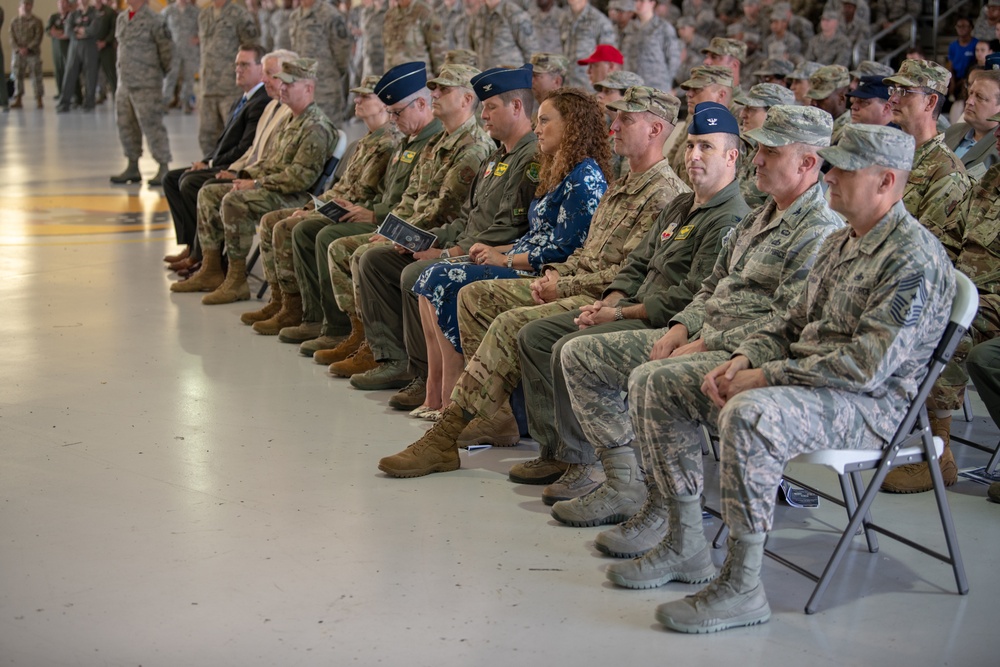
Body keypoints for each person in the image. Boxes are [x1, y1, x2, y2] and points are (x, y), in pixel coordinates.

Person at [631, 122, 955, 634]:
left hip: (873, 408)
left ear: (886, 181)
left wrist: (763, 378)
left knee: (750, 413)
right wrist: (743, 358)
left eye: (846, 169)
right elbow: (788, 323)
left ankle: (742, 586)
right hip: (811, 383)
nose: (830, 175)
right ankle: (685, 542)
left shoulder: (912, 259)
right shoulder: (843, 240)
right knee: (659, 380)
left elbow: (864, 368)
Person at [374, 86, 689, 479]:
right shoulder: (624, 184)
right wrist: (560, 275)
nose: (614, 125)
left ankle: (455, 430)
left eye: (627, 119)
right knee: (475, 296)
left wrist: (566, 284)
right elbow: (587, 252)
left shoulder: (666, 195)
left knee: (510, 323)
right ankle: (497, 415)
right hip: (575, 282)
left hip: (602, 300)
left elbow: (630, 274)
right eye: (616, 116)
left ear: (657, 129)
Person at [584, 103, 841, 559]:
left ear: (806, 163)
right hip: (711, 339)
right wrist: (684, 327)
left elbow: (786, 319)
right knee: (588, 355)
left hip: (753, 355)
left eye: (770, 152)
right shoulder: (759, 217)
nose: (756, 160)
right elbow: (712, 286)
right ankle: (634, 491)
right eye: (757, 149)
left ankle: (672, 520)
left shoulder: (819, 231)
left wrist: (706, 342)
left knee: (653, 380)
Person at [538, 103, 751, 525]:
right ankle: (593, 466)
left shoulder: (731, 217)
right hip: (637, 312)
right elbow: (637, 263)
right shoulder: (681, 206)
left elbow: (692, 296)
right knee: (547, 337)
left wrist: (620, 315)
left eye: (705, 147)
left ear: (732, 156)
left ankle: (617, 478)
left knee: (572, 348)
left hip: (668, 325)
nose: (692, 156)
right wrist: (611, 302)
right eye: (690, 145)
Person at [410, 88, 610, 419]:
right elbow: (535, 234)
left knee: (442, 279)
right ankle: (438, 393)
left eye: (545, 121)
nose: (538, 128)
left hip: (544, 273)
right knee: (429, 276)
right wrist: (495, 249)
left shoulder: (585, 176)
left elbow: (565, 249)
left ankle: (453, 400)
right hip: (521, 259)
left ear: (572, 126)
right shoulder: (559, 169)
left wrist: (504, 259)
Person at [347, 65, 538, 403]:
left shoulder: (529, 158)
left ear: (517, 107)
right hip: (468, 245)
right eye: (483, 106)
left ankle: (425, 377)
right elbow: (469, 219)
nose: (484, 114)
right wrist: (429, 239)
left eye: (491, 106)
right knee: (378, 259)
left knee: (417, 275)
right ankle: (394, 358)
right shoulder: (497, 156)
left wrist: (448, 253)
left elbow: (506, 229)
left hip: (500, 256)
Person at [264, 64, 491, 343]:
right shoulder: (437, 142)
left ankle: (375, 345)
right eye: (434, 88)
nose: (435, 94)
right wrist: (390, 229)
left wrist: (392, 231)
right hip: (415, 228)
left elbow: (441, 211)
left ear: (467, 100)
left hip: (438, 236)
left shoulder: (473, 147)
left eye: (444, 89)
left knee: (356, 251)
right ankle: (354, 334)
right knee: (331, 239)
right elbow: (410, 199)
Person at [283, 62, 444, 352]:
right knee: (307, 229)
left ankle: (358, 335)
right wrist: (368, 209)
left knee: (333, 240)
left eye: (396, 112)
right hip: (388, 218)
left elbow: (429, 206)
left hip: (411, 228)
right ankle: (327, 321)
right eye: (390, 112)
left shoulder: (429, 141)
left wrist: (377, 216)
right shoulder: (409, 141)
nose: (392, 119)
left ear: (421, 104)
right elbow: (393, 195)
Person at [883, 109, 1000, 493]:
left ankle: (938, 453)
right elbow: (948, 239)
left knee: (948, 329)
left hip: (993, 299)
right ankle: (893, 425)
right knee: (908, 306)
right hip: (965, 287)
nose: (996, 136)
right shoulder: (989, 184)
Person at [240, 74, 401, 335]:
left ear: (384, 103)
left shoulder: (391, 143)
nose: (357, 100)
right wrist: (314, 206)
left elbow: (379, 196)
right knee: (276, 221)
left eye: (365, 96)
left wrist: (350, 209)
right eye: (356, 95)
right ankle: (287, 304)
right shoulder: (364, 141)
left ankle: (320, 318)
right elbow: (341, 186)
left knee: (296, 229)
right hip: (342, 208)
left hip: (361, 215)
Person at [172, 57, 336, 305]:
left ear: (308, 88)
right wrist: (244, 176)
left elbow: (300, 178)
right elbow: (270, 161)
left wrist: (256, 185)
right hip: (274, 186)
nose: (282, 88)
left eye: (289, 84)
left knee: (234, 201)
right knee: (209, 193)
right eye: (281, 83)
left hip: (296, 197)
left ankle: (237, 280)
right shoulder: (291, 119)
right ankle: (212, 268)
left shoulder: (315, 127)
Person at [162, 45, 272, 271]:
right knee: (172, 179)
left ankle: (202, 254)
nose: (238, 70)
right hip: (221, 161)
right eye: (236, 65)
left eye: (244, 64)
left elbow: (244, 147)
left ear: (261, 69)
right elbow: (223, 143)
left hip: (234, 166)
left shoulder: (260, 101)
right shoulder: (241, 99)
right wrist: (205, 161)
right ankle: (192, 245)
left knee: (190, 182)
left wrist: (211, 165)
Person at [886, 59, 971, 263]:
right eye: (894, 90)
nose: (893, 99)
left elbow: (927, 254)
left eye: (905, 91)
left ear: (930, 102)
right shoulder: (891, 154)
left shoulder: (947, 173)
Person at [109, 0, 173, 187]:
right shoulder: (121, 18)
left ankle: (163, 165)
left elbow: (167, 52)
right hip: (124, 83)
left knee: (152, 126)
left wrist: (155, 74)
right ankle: (132, 165)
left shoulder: (155, 19)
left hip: (147, 84)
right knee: (125, 125)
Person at [197, 0, 259, 157]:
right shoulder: (204, 15)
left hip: (230, 87)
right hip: (208, 86)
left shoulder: (240, 15)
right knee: (206, 135)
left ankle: (230, 172)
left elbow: (252, 49)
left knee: (233, 134)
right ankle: (207, 169)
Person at [288, 0, 351, 124]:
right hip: (302, 88)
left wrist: (332, 75)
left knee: (330, 131)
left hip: (325, 88)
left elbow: (342, 52)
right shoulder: (295, 16)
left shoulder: (330, 14)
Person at [734, 83, 794, 209]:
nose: (742, 114)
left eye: (751, 108)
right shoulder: (756, 149)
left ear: (774, 113)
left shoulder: (785, 161)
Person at [944, 67, 1000, 179]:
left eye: (980, 97)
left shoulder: (998, 148)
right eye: (971, 93)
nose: (969, 101)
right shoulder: (952, 131)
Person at [620, 0, 681, 94]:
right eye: (636, 1)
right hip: (632, 87)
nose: (637, 4)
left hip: (656, 87)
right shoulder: (628, 28)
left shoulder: (663, 27)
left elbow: (673, 58)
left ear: (652, 3)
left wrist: (666, 82)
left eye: (641, 1)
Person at [560, 0, 616, 90]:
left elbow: (607, 61)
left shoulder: (600, 21)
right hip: (566, 86)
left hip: (589, 89)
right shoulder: (563, 18)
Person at [467, 0, 538, 71]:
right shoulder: (478, 15)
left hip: (510, 77)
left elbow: (531, 52)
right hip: (484, 77)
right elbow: (472, 48)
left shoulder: (515, 13)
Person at [57, 0, 100, 113]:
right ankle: (64, 103)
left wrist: (82, 30)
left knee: (90, 75)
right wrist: (79, 32)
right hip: (75, 46)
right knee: (69, 73)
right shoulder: (73, 14)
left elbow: (94, 29)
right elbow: (68, 30)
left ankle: (89, 103)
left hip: (89, 46)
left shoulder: (94, 13)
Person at [382, 0, 443, 76]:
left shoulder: (425, 12)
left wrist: (439, 80)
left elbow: (439, 51)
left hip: (419, 80)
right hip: (394, 80)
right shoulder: (390, 15)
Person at [161, 0, 200, 113]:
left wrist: (198, 38)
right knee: (169, 77)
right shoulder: (168, 11)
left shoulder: (195, 11)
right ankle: (165, 102)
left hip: (190, 51)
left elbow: (203, 28)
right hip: (173, 51)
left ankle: (186, 103)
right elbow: (160, 29)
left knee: (189, 78)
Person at [9, 0, 44, 110]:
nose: (25, 6)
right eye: (23, 4)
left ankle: (38, 98)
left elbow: (38, 37)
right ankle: (18, 98)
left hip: (32, 53)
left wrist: (28, 48)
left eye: (28, 4)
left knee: (36, 76)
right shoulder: (14, 21)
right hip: (18, 53)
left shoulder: (37, 21)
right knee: (17, 75)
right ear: (20, 5)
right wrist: (18, 49)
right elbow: (11, 38)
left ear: (31, 6)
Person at [807, 64, 850, 144]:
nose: (813, 103)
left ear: (841, 98)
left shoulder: (848, 133)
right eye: (812, 98)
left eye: (821, 98)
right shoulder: (817, 123)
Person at [46, 0, 72, 102]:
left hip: (68, 47)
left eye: (64, 2)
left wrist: (58, 32)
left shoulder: (71, 16)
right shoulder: (54, 17)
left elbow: (69, 31)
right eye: (60, 2)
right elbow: (48, 30)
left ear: (68, 4)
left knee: (70, 71)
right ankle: (60, 92)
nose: (62, 5)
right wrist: (56, 32)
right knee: (58, 70)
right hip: (56, 48)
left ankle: (71, 93)